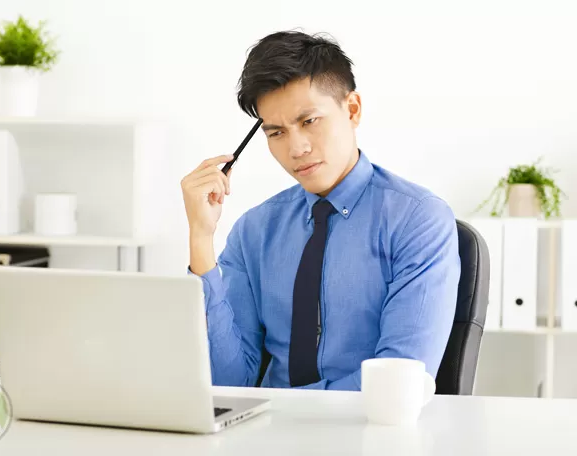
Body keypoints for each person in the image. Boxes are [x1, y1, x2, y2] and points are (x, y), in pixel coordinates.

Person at [180, 30, 460, 391]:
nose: (296, 148)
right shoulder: (255, 231)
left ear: (352, 109)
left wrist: (282, 412)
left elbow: (399, 378)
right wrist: (201, 239)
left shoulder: (417, 220)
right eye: (276, 133)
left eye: (309, 121)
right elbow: (227, 383)